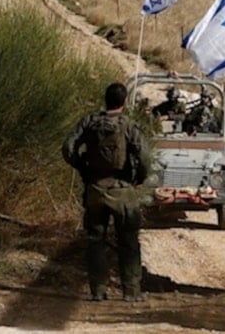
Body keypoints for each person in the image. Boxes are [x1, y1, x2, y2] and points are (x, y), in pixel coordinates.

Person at [62, 82, 150, 303]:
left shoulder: (90, 122)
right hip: (123, 190)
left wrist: (81, 166)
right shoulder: (129, 126)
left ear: (106, 99)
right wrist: (139, 177)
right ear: (125, 102)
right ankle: (131, 291)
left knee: (95, 240)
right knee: (128, 241)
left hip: (95, 190)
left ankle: (98, 291)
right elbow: (145, 157)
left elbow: (68, 147)